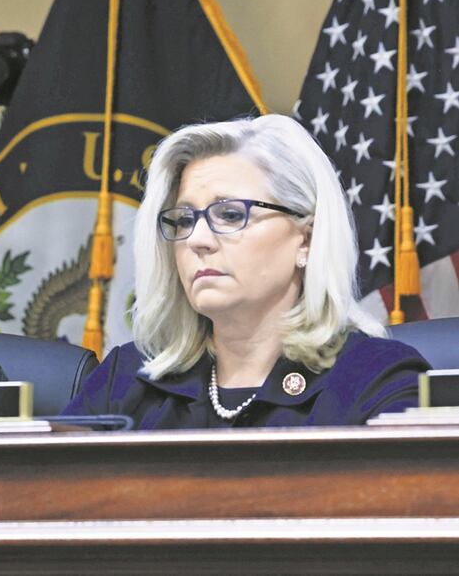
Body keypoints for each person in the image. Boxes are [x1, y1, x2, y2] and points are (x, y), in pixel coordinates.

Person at [63, 114, 429, 428]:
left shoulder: (377, 380)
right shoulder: (127, 379)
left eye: (231, 215)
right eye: (185, 220)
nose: (197, 240)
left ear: (307, 240)